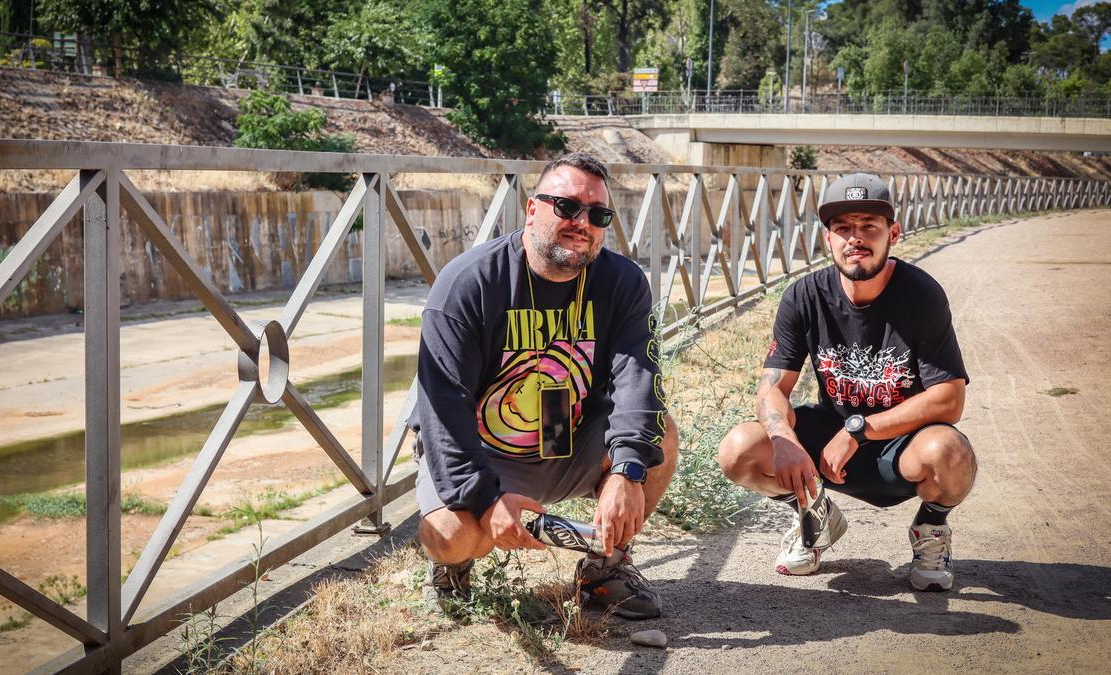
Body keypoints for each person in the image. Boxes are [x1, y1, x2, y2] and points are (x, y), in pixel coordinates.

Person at [411, 152, 679, 619]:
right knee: (455, 538)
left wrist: (628, 470)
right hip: (483, 448)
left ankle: (604, 569)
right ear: (532, 209)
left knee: (662, 438)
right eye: (568, 207)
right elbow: (443, 410)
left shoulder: (621, 282)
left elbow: (637, 377)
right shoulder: (468, 284)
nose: (583, 222)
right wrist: (486, 498)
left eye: (598, 214)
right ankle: (451, 570)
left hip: (566, 438)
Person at [717, 172, 976, 592]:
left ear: (893, 232)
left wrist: (858, 430)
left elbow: (949, 399)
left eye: (869, 227)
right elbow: (772, 388)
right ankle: (814, 513)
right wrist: (782, 437)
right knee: (738, 448)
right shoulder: (804, 296)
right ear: (828, 239)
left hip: (900, 446)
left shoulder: (921, 294)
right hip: (828, 443)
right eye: (843, 228)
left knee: (950, 451)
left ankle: (931, 529)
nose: (855, 238)